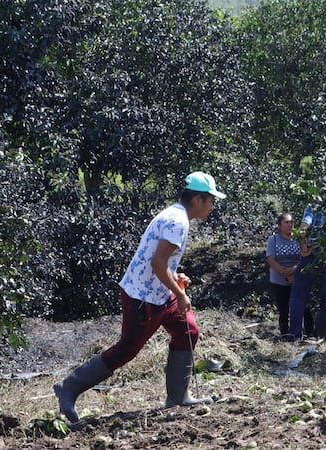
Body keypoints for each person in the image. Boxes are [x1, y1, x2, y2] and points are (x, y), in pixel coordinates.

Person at [54, 171, 226, 423]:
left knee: (187, 330)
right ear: (198, 199)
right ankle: (68, 387)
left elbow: (160, 262)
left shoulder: (176, 215)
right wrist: (180, 294)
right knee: (127, 349)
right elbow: (158, 263)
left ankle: (178, 397)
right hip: (143, 297)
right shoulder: (178, 221)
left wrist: (175, 278)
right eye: (211, 200)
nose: (213, 206)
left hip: (157, 292)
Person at [288, 176, 326, 341]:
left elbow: (303, 230)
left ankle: (294, 335)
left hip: (313, 253)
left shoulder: (313, 206)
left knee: (298, 294)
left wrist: (303, 249)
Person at [266, 212, 310, 338]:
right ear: (279, 225)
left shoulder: (299, 239)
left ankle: (309, 333)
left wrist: (293, 271)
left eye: (291, 222)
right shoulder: (273, 239)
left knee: (305, 306)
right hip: (278, 280)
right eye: (286, 222)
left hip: (298, 277)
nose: (289, 225)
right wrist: (285, 273)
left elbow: (305, 256)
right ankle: (285, 335)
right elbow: (271, 259)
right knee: (283, 308)